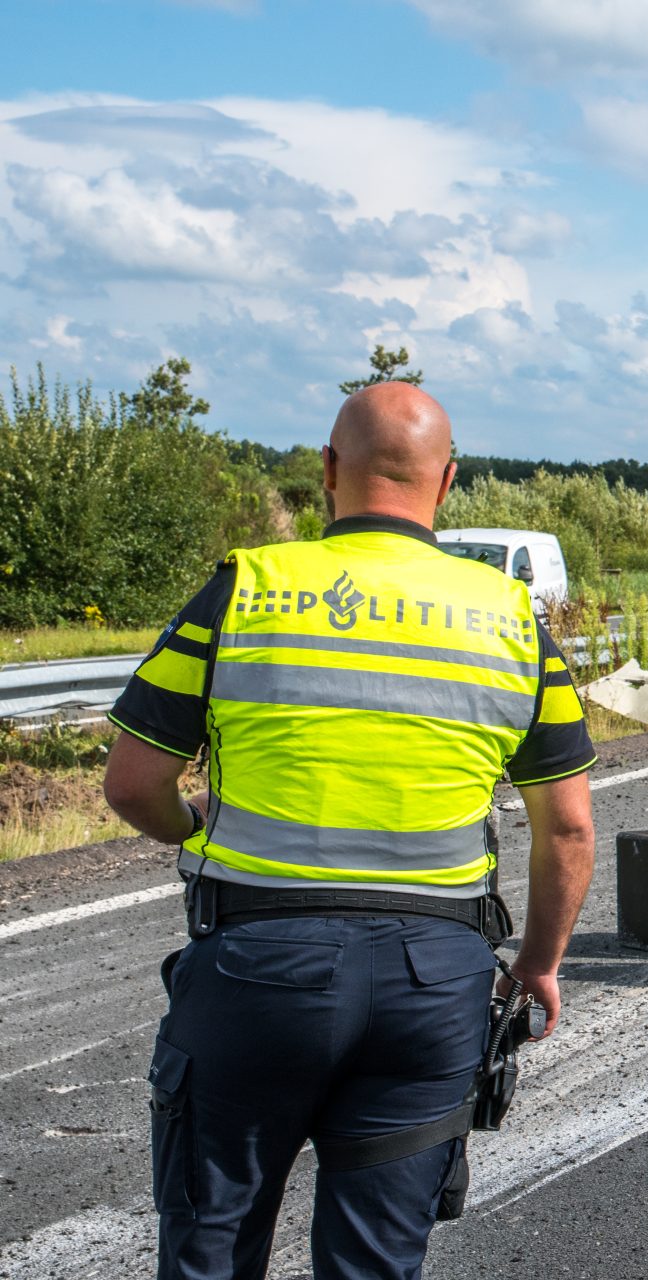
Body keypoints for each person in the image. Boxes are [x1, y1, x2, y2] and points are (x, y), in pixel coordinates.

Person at [102, 383, 598, 1280]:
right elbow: (566, 827)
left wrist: (192, 825)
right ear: (447, 483)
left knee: (211, 1246)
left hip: (256, 970)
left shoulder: (247, 587)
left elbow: (136, 784)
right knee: (375, 1264)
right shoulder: (513, 618)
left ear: (329, 471)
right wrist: (538, 965)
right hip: (431, 983)